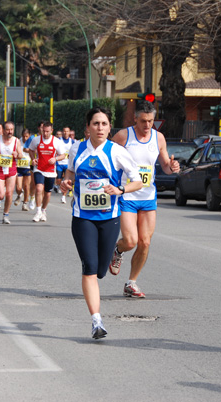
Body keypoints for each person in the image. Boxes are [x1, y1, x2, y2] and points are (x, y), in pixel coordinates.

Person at [60, 107, 142, 339]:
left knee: (101, 270)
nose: (100, 128)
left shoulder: (117, 152)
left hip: (110, 218)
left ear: (109, 127)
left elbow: (138, 182)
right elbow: (69, 175)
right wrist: (65, 184)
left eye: (104, 124)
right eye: (95, 124)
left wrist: (120, 189)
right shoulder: (77, 148)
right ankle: (97, 321)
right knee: (89, 268)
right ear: (88, 127)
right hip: (82, 217)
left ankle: (115, 252)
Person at [108, 100, 180, 298]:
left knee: (145, 242)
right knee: (130, 241)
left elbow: (165, 165)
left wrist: (172, 167)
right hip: (127, 195)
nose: (147, 125)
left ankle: (131, 283)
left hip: (148, 196)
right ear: (135, 119)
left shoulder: (158, 138)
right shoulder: (123, 136)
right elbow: (108, 159)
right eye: (143, 121)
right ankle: (118, 249)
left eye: (150, 121)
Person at [0, 121, 23, 224]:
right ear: (3, 130)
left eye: (11, 129)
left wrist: (17, 155)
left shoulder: (16, 141)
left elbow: (20, 155)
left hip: (11, 170)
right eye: (8, 129)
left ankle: (6, 215)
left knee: (9, 193)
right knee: (1, 194)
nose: (10, 132)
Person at [29, 122, 65, 222]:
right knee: (39, 188)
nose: (45, 134)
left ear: (52, 131)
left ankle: (44, 211)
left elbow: (63, 155)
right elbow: (31, 150)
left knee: (47, 193)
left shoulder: (56, 141)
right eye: (44, 131)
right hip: (39, 168)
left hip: (51, 171)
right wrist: (33, 159)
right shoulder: (36, 140)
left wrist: (55, 159)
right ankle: (38, 211)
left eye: (47, 132)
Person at [14, 128, 32, 211]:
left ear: (29, 136)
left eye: (27, 136)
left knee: (26, 186)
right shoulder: (18, 142)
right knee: (18, 187)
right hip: (18, 166)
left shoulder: (32, 142)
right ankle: (19, 195)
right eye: (24, 136)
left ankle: (25, 204)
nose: (25, 138)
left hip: (28, 167)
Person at [55, 126, 74, 203]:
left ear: (69, 132)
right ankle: (59, 184)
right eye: (64, 131)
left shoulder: (72, 141)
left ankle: (63, 196)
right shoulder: (58, 140)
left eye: (67, 131)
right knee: (59, 181)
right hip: (59, 163)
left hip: (67, 164)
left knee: (66, 181)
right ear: (62, 132)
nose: (66, 133)